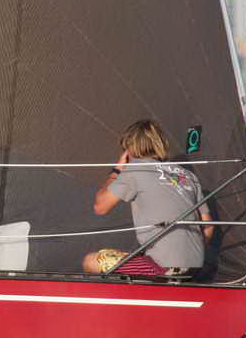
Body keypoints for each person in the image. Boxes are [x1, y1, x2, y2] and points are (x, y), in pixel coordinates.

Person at [83, 119, 214, 277]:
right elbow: (208, 226)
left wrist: (117, 170)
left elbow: (100, 207)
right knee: (137, 259)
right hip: (196, 266)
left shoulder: (136, 170)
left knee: (92, 261)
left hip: (163, 268)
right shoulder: (188, 175)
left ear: (129, 148)